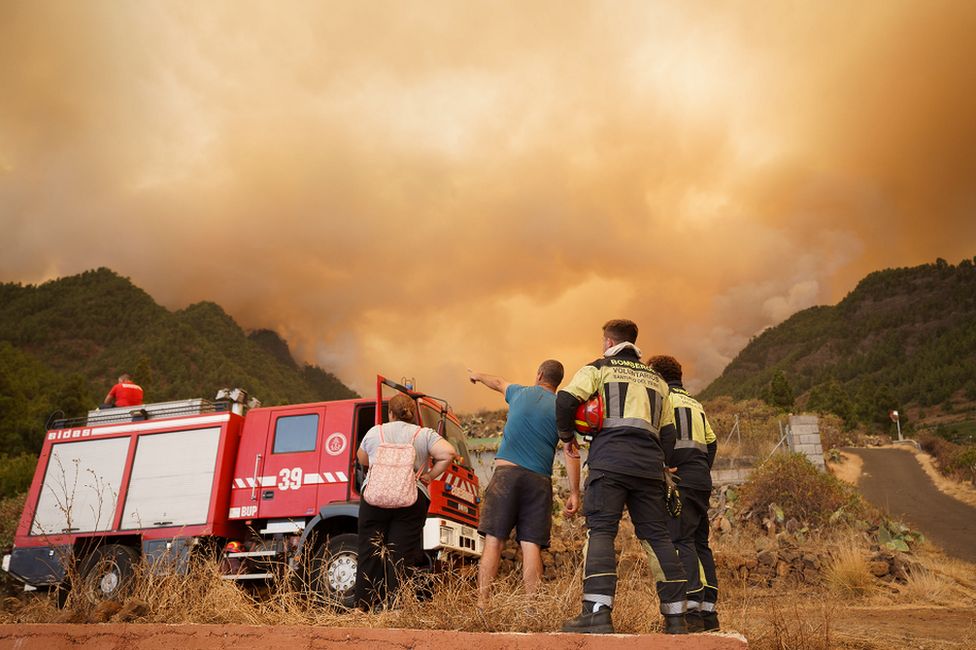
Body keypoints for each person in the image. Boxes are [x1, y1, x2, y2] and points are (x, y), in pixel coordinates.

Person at [555, 319, 688, 634]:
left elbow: (565, 400)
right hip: (649, 469)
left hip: (609, 464)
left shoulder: (598, 369)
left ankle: (597, 613)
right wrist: (663, 463)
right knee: (657, 537)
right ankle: (676, 619)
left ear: (607, 341)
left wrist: (566, 436)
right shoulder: (659, 382)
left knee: (601, 532)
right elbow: (669, 433)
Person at [468, 360, 581, 609]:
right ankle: (531, 609)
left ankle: (482, 606)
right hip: (538, 481)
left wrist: (477, 373)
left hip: (506, 476)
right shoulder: (562, 407)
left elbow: (497, 381)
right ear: (558, 382)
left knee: (494, 541)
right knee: (531, 545)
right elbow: (571, 451)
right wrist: (574, 492)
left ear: (539, 374)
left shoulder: (519, 392)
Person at [354, 393, 456, 611]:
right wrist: (430, 476)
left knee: (369, 550)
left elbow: (361, 458)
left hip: (375, 498)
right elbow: (449, 453)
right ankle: (397, 607)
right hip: (411, 498)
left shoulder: (376, 432)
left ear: (390, 413)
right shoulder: (423, 434)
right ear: (412, 414)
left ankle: (363, 607)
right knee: (401, 553)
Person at [647, 355, 719, 632]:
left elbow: (660, 434)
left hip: (681, 479)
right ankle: (709, 611)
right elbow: (711, 443)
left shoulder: (663, 397)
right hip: (701, 479)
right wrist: (700, 467)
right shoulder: (695, 403)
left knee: (681, 540)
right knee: (701, 543)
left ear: (657, 375)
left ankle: (691, 611)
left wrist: (668, 465)